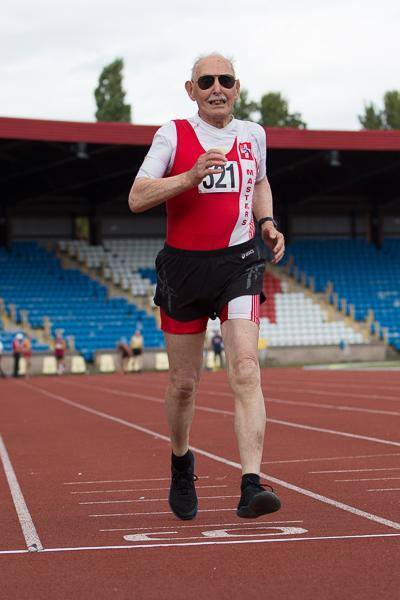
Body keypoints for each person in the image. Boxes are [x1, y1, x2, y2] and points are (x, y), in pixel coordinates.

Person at [129, 52, 285, 520]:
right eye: (206, 81)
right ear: (191, 90)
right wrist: (190, 176)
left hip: (239, 263)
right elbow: (137, 196)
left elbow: (260, 182)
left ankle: (251, 484)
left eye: (226, 80)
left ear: (237, 87)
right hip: (184, 269)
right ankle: (181, 461)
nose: (217, 88)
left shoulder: (254, 135)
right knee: (184, 384)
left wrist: (267, 221)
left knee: (246, 367)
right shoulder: (172, 134)